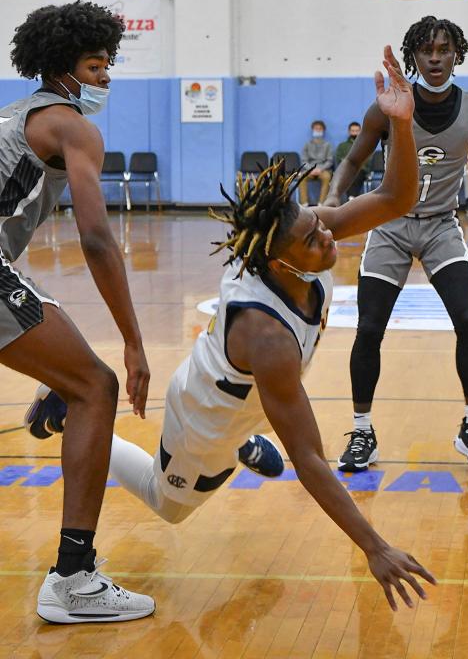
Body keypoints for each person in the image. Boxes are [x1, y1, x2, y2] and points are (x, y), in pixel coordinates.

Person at [28, 47, 437, 612]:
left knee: (265, 406)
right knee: (165, 505)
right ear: (278, 260)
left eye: (320, 228)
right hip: (201, 419)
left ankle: (245, 436)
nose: (328, 238)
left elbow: (399, 197)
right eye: (314, 240)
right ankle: (67, 409)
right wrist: (374, 546)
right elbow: (310, 458)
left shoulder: (303, 232)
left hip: (244, 394)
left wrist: (401, 122)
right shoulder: (265, 335)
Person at [0, 1, 155, 623]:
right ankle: (74, 578)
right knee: (98, 384)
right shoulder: (73, 126)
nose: (106, 78)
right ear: (64, 71)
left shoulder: (20, 114)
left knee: (74, 373)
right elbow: (95, 236)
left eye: (109, 64)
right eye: (96, 66)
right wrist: (135, 342)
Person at [324, 16, 468, 474]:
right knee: (369, 329)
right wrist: (332, 198)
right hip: (390, 224)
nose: (435, 58)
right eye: (426, 51)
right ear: (414, 57)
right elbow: (353, 159)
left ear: (457, 55)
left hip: (442, 224)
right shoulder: (386, 108)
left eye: (444, 50)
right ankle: (362, 431)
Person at [299, 120, 334, 205]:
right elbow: (304, 160)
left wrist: (320, 169)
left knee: (327, 177)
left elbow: (330, 161)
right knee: (301, 177)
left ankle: (321, 203)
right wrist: (311, 169)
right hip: (309, 169)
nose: (318, 130)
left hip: (323, 170)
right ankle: (304, 204)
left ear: (323, 130)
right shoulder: (307, 144)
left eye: (320, 129)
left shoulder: (328, 145)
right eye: (316, 128)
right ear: (312, 130)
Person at [335, 122, 371, 199]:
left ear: (360, 131)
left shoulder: (366, 144)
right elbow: (339, 158)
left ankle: (351, 197)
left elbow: (368, 159)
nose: (354, 133)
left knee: (357, 173)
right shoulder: (342, 146)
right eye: (353, 131)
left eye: (356, 131)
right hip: (346, 170)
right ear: (349, 131)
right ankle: (352, 197)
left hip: (361, 169)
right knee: (348, 173)